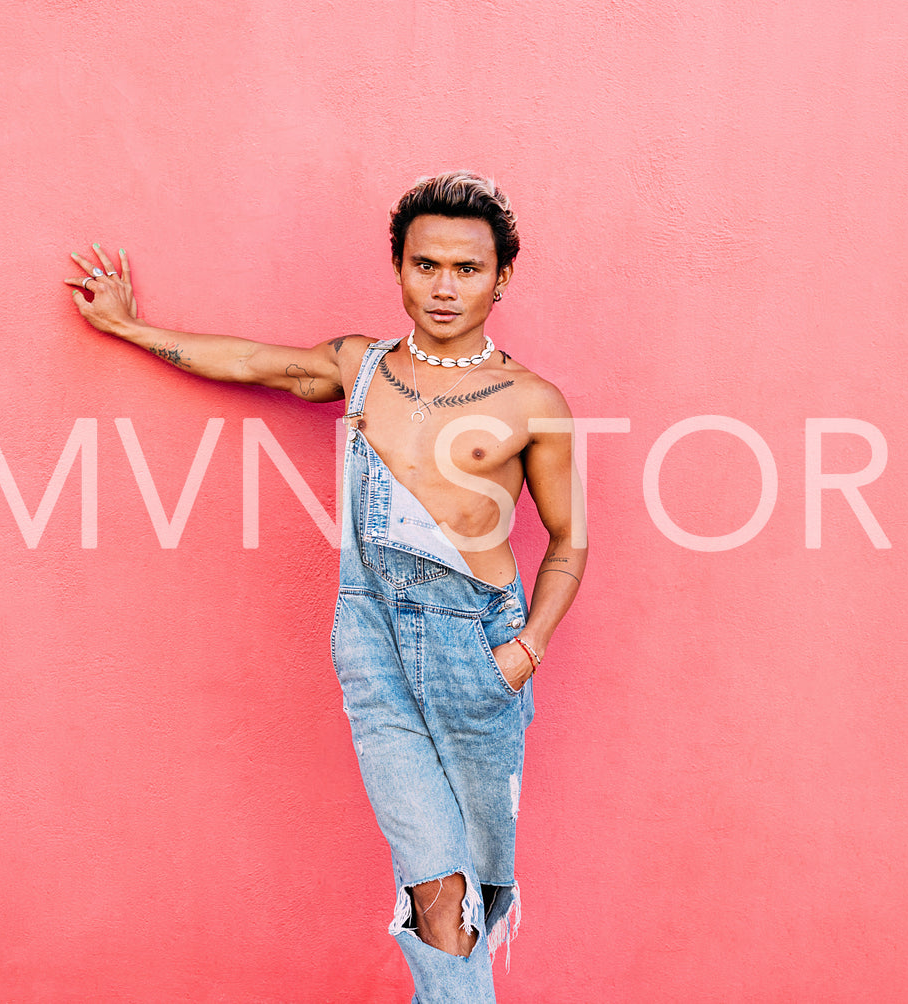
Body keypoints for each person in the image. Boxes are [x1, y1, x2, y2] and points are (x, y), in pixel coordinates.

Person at [65, 171, 586, 1002]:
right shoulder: (363, 368)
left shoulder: (533, 402)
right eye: (425, 266)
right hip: (372, 643)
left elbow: (568, 538)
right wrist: (128, 327)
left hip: (476, 649)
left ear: (501, 278)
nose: (443, 287)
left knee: (480, 886)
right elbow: (252, 363)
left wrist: (525, 651)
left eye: (465, 269)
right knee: (434, 892)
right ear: (398, 268)